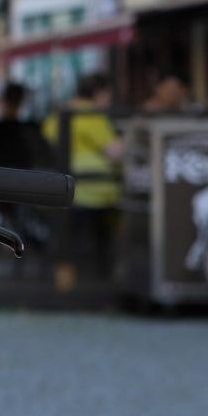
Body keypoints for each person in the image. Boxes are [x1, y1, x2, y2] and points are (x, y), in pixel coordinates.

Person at [44, 72, 123, 285]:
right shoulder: (92, 116)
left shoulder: (57, 115)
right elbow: (115, 153)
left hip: (60, 188)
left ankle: (67, 272)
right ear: (99, 93)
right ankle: (106, 271)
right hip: (95, 189)